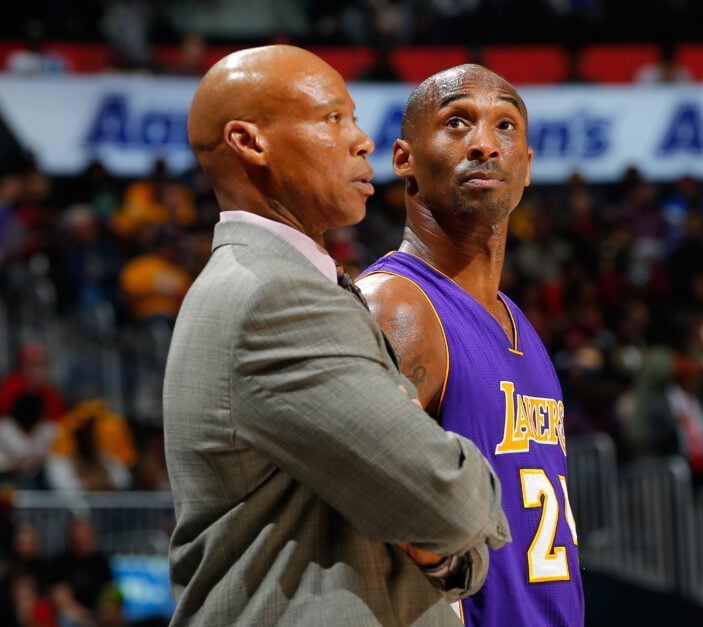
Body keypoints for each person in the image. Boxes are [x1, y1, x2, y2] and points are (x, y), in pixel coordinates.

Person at [163, 45, 510, 626]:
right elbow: (448, 501)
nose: (362, 140)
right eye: (333, 119)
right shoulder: (276, 298)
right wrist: (468, 502)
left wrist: (454, 551)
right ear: (250, 143)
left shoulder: (276, 284)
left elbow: (432, 519)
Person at [356, 64, 584, 626]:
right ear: (403, 159)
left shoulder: (515, 320)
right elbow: (366, 494)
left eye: (505, 126)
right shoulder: (397, 307)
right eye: (457, 122)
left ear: (526, 167)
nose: (485, 144)